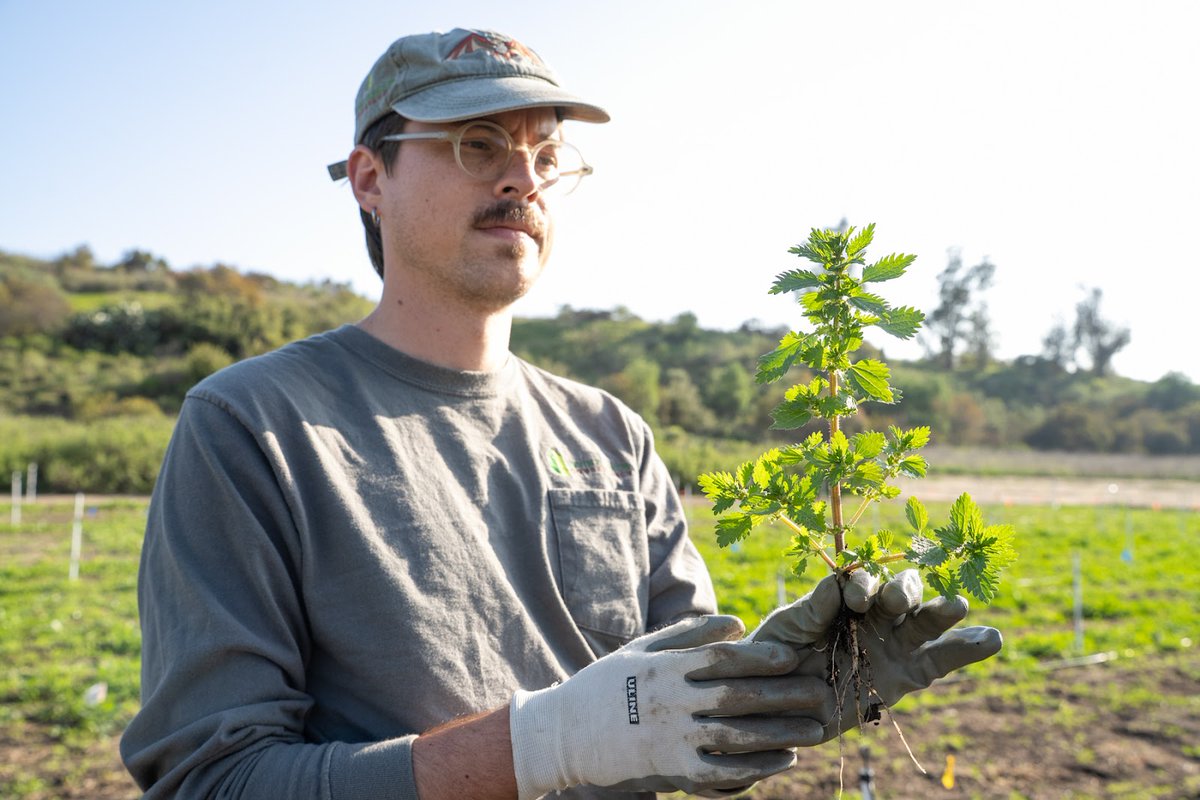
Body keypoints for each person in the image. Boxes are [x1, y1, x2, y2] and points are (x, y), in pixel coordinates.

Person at [120, 27, 1001, 800]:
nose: (523, 179)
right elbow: (215, 780)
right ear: (369, 178)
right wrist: (545, 742)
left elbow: (663, 724)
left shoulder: (612, 434)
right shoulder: (252, 426)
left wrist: (775, 693)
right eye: (477, 144)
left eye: (546, 157)